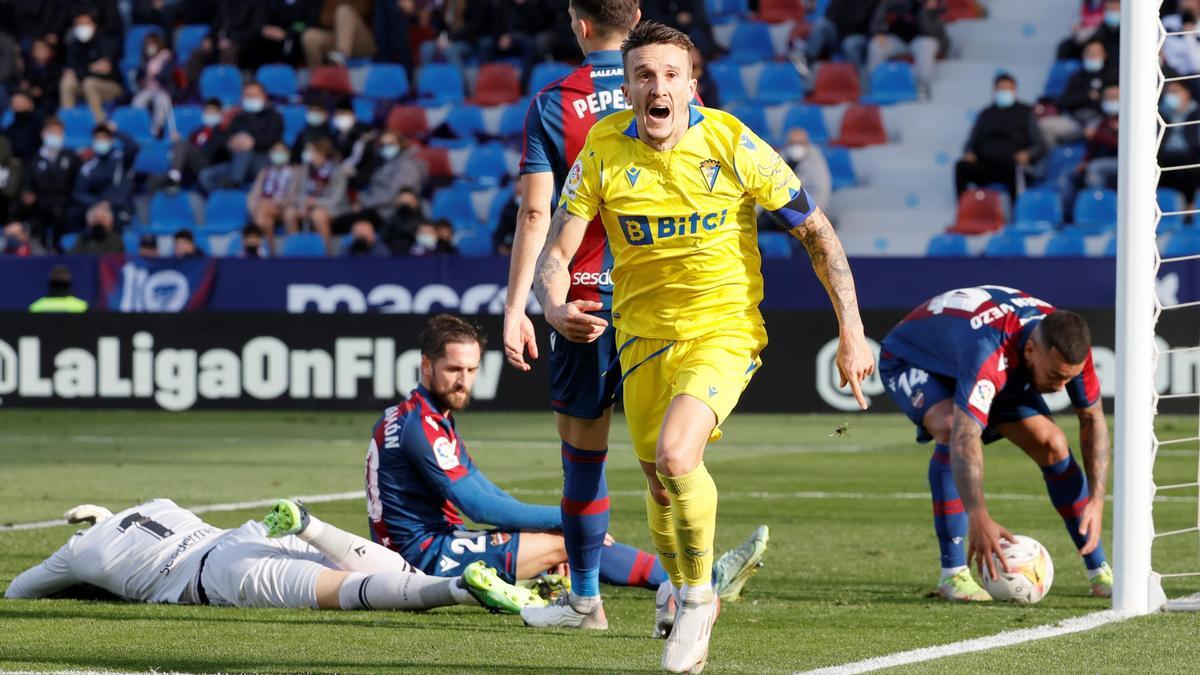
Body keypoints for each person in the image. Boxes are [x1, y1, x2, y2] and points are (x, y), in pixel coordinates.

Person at [532, 21, 873, 673]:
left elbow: (818, 234)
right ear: (628, 87)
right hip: (639, 337)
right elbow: (557, 251)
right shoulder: (603, 149)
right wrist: (553, 303)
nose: (656, 86)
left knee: (676, 452)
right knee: (659, 483)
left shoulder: (732, 142)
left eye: (669, 75)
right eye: (643, 75)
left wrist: (851, 330)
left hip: (723, 327)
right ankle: (676, 580)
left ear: (693, 85)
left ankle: (696, 598)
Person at [365, 315, 768, 602]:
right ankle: (703, 581)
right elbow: (478, 505)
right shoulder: (421, 425)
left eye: (471, 369)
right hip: (422, 558)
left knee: (569, 537)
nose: (463, 380)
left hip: (435, 543)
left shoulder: (422, 415)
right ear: (425, 365)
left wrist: (562, 522)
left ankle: (671, 579)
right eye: (453, 368)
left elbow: (481, 488)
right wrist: (566, 519)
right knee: (569, 540)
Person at [504, 0, 648, 634]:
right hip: (660, 294)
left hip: (582, 296)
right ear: (637, 17)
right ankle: (687, 591)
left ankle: (585, 601)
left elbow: (537, 216)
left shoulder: (553, 102)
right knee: (669, 457)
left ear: (579, 24)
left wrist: (520, 308)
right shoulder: (673, 87)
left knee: (583, 456)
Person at [877, 286, 1113, 602]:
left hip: (988, 366)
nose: (1060, 388)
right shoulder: (988, 350)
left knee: (1054, 443)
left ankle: (1099, 572)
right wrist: (980, 517)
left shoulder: (1067, 346)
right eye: (1055, 376)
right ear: (1031, 350)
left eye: (1068, 379)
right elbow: (965, 435)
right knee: (949, 427)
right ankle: (954, 575)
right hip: (916, 360)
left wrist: (1096, 499)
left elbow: (1092, 419)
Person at [5, 497, 542, 616]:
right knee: (388, 569)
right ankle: (309, 524)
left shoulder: (79, 553)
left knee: (344, 596)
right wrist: (108, 514)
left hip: (216, 574)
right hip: (247, 534)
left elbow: (18, 592)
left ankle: (457, 588)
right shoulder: (159, 504)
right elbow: (126, 522)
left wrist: (84, 555)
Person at [954, 73, 1044, 205]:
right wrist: (969, 152)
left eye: (1008, 89)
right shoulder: (985, 113)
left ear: (1014, 90)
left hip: (1011, 163)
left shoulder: (1026, 112)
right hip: (985, 163)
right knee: (961, 167)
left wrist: (1028, 154)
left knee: (1014, 170)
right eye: (1001, 89)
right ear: (994, 91)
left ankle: (1016, 214)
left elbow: (1040, 144)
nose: (1004, 92)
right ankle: (964, 208)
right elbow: (972, 141)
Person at [199, 82, 284, 193]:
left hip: (262, 162)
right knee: (206, 176)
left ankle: (234, 185)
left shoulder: (274, 116)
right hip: (237, 162)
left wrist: (253, 142)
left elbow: (272, 138)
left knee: (245, 150)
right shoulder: (239, 118)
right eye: (247, 96)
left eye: (254, 96)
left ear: (264, 96)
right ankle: (223, 200)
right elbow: (226, 137)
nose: (251, 99)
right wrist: (231, 142)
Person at [1038, 40, 1115, 148]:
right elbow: (1064, 101)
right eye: (1090, 52)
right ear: (1083, 54)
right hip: (1076, 121)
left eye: (1097, 52)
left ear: (1104, 55)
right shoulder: (1076, 76)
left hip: (1101, 121)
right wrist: (1087, 96)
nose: (1093, 55)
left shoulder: (1113, 77)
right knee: (1045, 125)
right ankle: (1056, 159)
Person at [866, 0, 948, 99]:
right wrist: (877, 32)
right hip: (899, 40)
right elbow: (880, 13)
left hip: (921, 40)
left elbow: (929, 31)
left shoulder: (935, 5)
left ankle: (922, 87)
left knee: (926, 44)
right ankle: (877, 86)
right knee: (876, 45)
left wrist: (925, 9)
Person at [18, 116, 80, 247]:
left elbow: (76, 184)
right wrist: (27, 194)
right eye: (52, 132)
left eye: (59, 132)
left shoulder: (72, 158)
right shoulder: (33, 161)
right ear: (43, 134)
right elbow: (28, 185)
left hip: (65, 205)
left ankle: (59, 248)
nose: (55, 135)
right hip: (40, 206)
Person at [69, 123, 140, 232]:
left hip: (117, 206)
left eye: (104, 138)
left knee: (117, 220)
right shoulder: (88, 165)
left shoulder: (120, 159)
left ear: (111, 140)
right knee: (73, 214)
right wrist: (97, 203)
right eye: (98, 138)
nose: (101, 141)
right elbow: (79, 192)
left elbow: (133, 147)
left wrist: (116, 132)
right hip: (94, 205)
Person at [284, 136, 348, 253]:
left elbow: (335, 200)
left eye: (310, 151)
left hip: (333, 208)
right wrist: (304, 204)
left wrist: (314, 203)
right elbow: (300, 193)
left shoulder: (337, 170)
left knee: (317, 215)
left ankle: (327, 253)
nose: (307, 154)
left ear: (321, 152)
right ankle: (296, 250)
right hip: (309, 205)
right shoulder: (305, 169)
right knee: (290, 213)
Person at [59, 11, 124, 124]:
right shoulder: (73, 45)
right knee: (67, 82)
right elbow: (69, 71)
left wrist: (81, 71)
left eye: (85, 23)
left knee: (90, 83)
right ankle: (68, 123)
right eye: (79, 24)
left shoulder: (105, 41)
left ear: (94, 25)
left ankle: (99, 125)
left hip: (111, 86)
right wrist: (91, 69)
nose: (82, 27)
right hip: (83, 84)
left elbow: (106, 70)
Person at [248, 141, 301, 249]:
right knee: (264, 220)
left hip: (285, 205)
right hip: (266, 206)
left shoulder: (295, 170)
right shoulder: (265, 171)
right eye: (275, 151)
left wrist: (281, 202)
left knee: (265, 210)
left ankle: (295, 249)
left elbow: (296, 194)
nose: (278, 154)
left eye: (281, 151)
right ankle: (271, 252)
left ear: (288, 154)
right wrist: (252, 206)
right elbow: (254, 193)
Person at [1157, 81, 1200, 205]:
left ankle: (1190, 208)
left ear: (1187, 94)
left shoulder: (1196, 114)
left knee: (1188, 167)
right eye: (1168, 92)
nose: (1170, 96)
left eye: (1174, 92)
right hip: (1165, 158)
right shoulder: (1159, 114)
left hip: (1192, 158)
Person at [302, 0, 376, 69]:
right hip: (338, 38)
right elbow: (324, 20)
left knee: (344, 11)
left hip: (364, 41)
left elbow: (364, 9)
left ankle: (340, 60)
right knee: (310, 36)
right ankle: (317, 77)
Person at [130, 32, 175, 137]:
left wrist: (156, 74)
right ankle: (139, 129)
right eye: (148, 44)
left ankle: (156, 130)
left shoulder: (167, 57)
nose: (150, 46)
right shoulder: (145, 59)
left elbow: (167, 76)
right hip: (148, 90)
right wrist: (142, 77)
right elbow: (138, 77)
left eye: (152, 43)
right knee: (137, 102)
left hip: (163, 90)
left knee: (162, 102)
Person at [782, 128, 832, 210]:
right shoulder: (781, 156)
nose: (796, 146)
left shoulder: (816, 159)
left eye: (800, 143)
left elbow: (821, 193)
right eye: (792, 143)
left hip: (807, 209)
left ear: (807, 143)